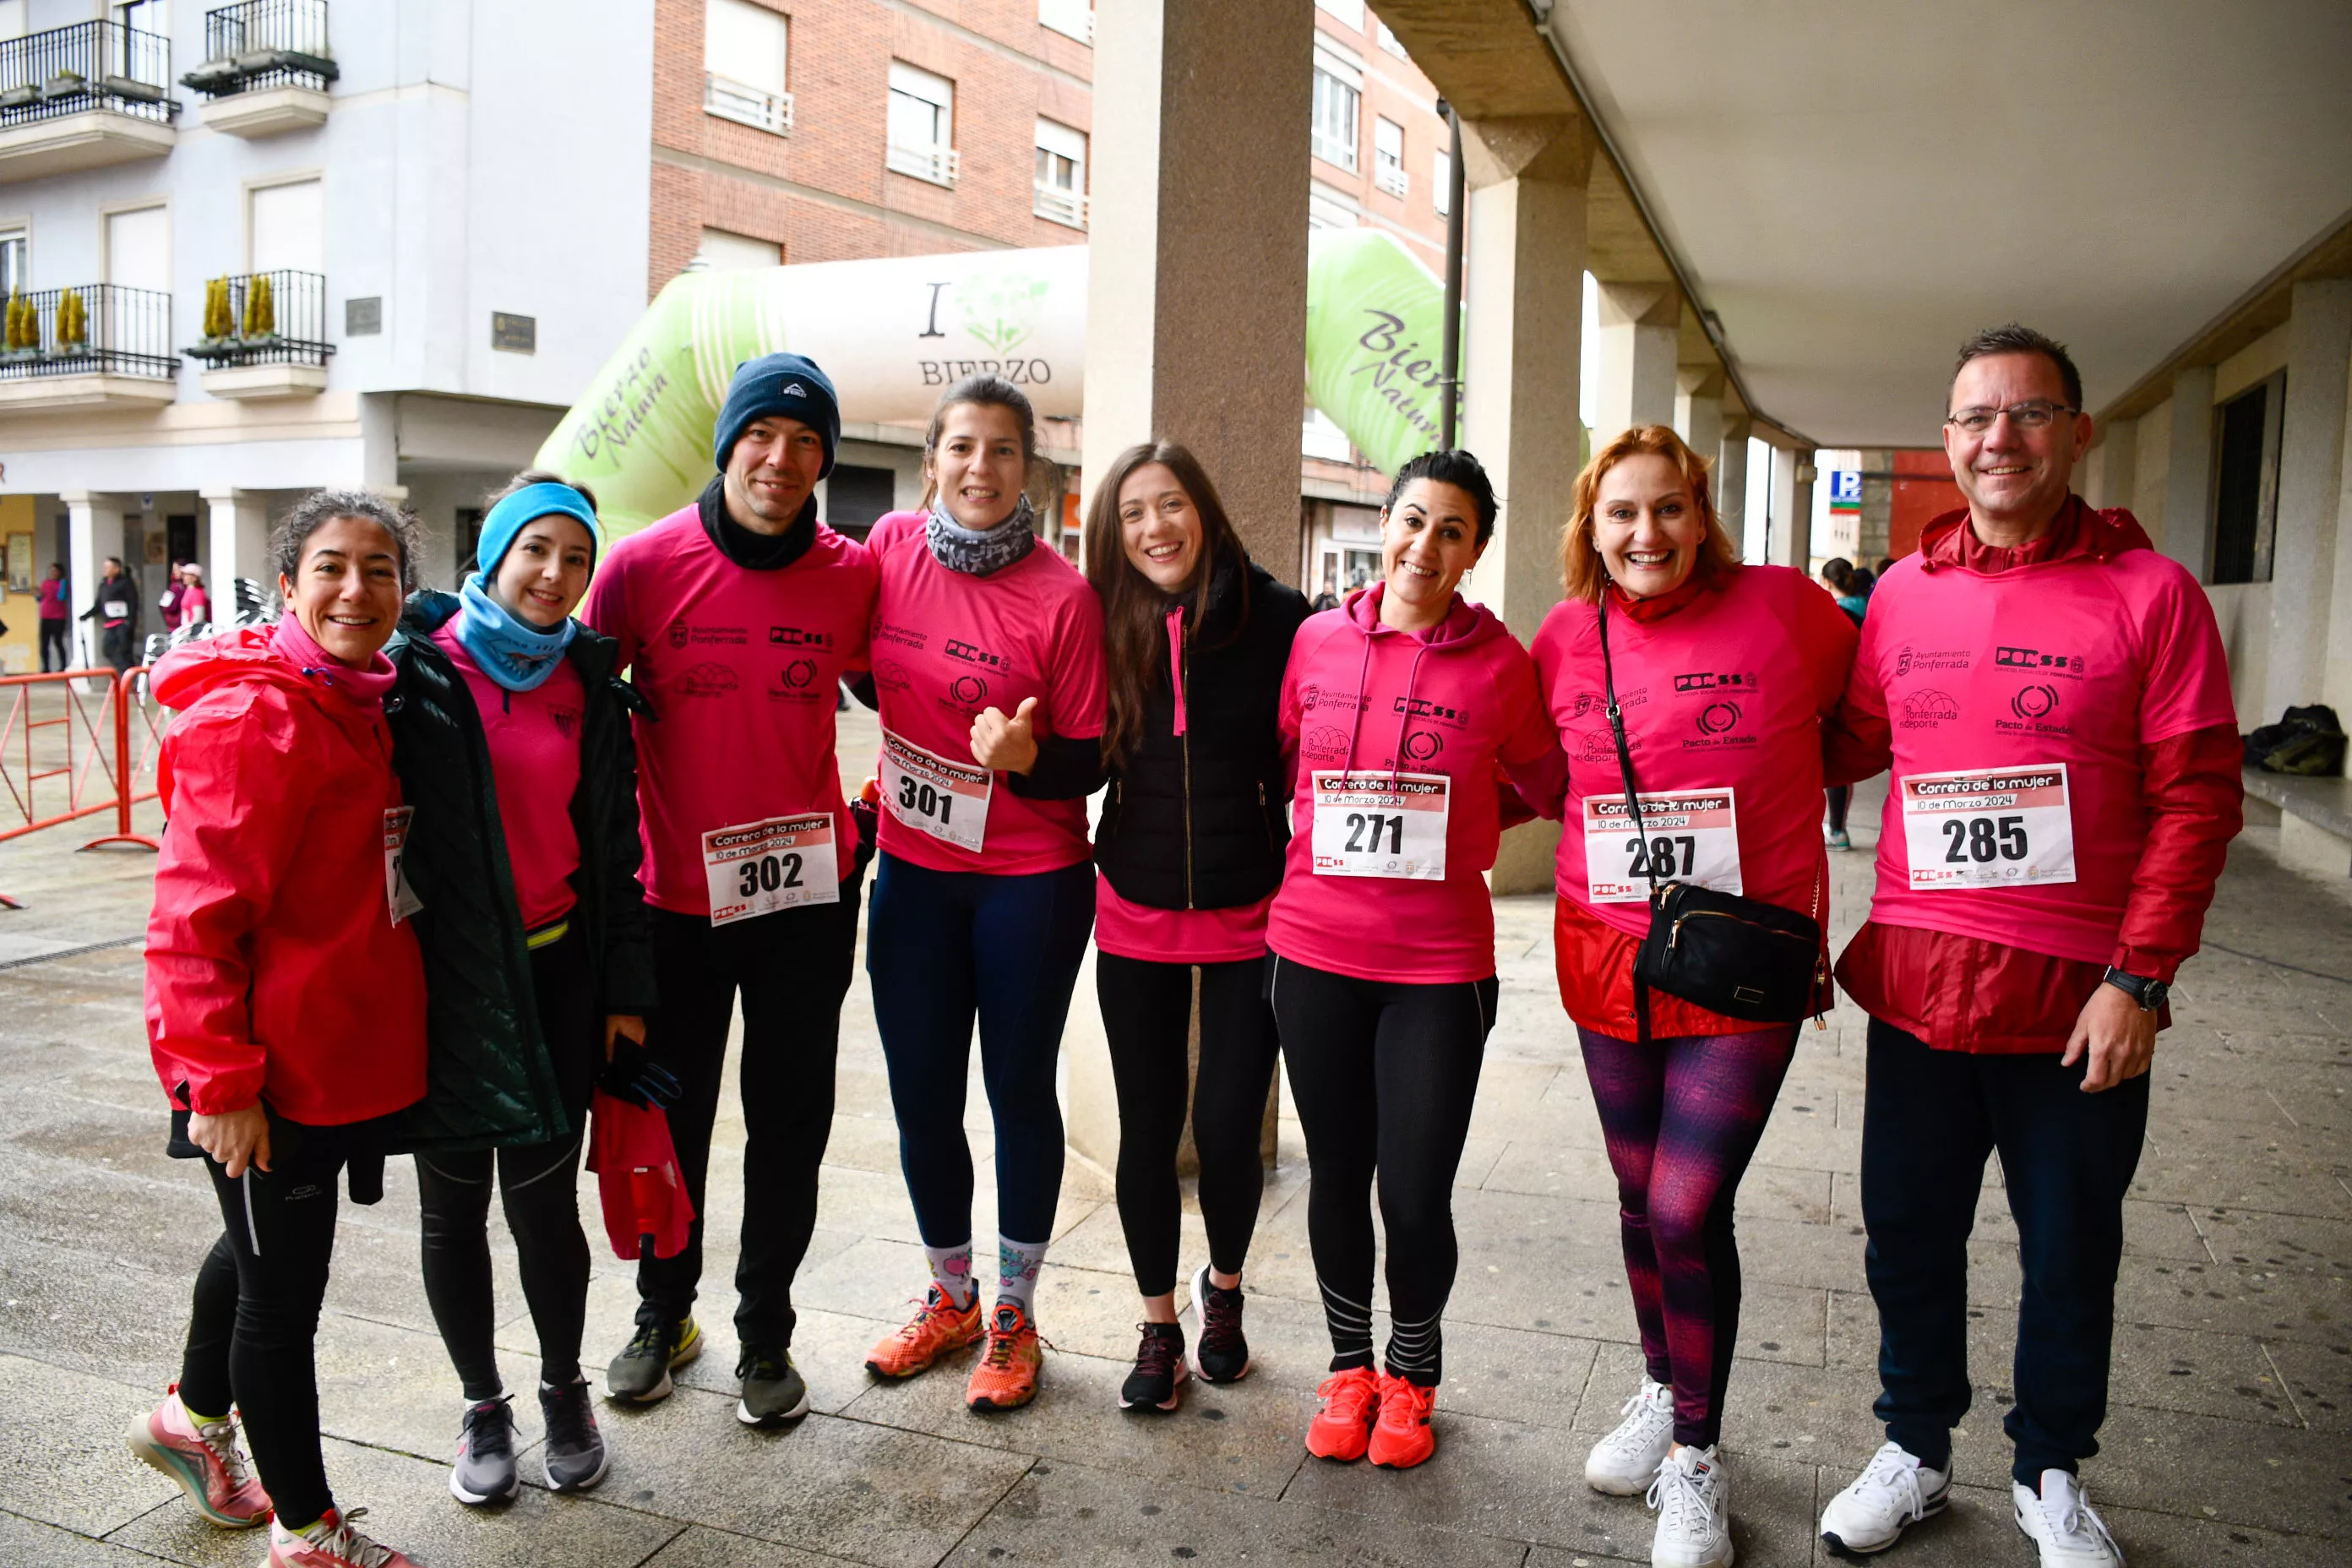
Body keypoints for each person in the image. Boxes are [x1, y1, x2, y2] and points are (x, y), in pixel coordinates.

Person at [1814, 325, 2242, 1567]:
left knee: (2068, 1244)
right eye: (1975, 419)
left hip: (2080, 1001)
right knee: (1905, 1226)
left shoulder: (2151, 595)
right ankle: (1914, 1446)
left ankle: (2050, 1465)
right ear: (1947, 441)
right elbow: (1842, 741)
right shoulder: (1901, 592)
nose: (1999, 438)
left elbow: (2199, 795)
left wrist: (2140, 979)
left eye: (2029, 413)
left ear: (2078, 432)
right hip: (1922, 982)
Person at [1532, 426, 1858, 1568]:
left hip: (1742, 962)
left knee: (1683, 1206)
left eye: (1668, 509)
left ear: (1702, 513)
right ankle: (1664, 1388)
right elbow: (1534, 768)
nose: (1647, 533)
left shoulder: (1785, 611)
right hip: (1606, 951)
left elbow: (1861, 728)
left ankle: (1697, 1465)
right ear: (1592, 523)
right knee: (1636, 1200)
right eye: (1622, 512)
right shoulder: (1566, 636)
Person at [131, 490, 431, 1568]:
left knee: (262, 1253)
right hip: (264, 1073)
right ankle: (307, 1533)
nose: (358, 588)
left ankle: (188, 1418)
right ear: (291, 584)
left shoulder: (357, 695)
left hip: (327, 1058)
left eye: (382, 568)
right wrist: (220, 1083)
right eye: (333, 567)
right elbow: (190, 920)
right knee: (281, 1299)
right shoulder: (258, 716)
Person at [580, 352, 879, 1427]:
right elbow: (567, 709)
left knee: (789, 1119)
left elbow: (912, 687)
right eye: (764, 435)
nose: (782, 459)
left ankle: (767, 1330)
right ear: (728, 443)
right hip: (672, 907)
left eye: (807, 444)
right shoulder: (642, 566)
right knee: (673, 1121)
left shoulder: (851, 575)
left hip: (801, 896)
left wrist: (884, 812)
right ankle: (665, 1311)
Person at [1271, 449, 1562, 1471]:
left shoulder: (1503, 663)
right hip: (1311, 952)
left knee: (1415, 1188)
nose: (1424, 545)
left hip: (1439, 967)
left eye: (1451, 530)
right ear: (1383, 523)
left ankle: (1413, 1367)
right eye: (1411, 519)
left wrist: (1469, 818)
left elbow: (1543, 781)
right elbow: (1281, 758)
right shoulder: (1312, 642)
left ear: (1476, 548)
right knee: (1338, 1171)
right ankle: (1349, 1365)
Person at [385, 472, 662, 1502]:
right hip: (447, 981)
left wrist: (627, 991)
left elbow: (618, 852)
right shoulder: (418, 668)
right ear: (495, 552)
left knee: (546, 1211)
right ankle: (481, 1403)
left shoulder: (588, 679)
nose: (554, 575)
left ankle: (561, 1388)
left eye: (576, 558)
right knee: (453, 1214)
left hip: (557, 975)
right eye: (536, 550)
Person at [858, 374, 1106, 1413]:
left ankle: (1014, 1309)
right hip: (913, 872)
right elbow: (868, 679)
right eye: (962, 447)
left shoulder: (1065, 596)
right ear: (932, 460)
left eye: (1003, 450)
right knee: (920, 1094)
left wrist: (1021, 756)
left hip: (1028, 883)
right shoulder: (884, 551)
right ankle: (950, 1291)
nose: (980, 467)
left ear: (1030, 471)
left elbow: (1089, 763)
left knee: (1015, 1091)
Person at [1082, 441, 1309, 1413]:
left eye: (1170, 505)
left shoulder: (1280, 619)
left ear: (1205, 512)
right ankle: (1157, 1324)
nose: (1154, 528)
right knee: (1146, 1130)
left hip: (1249, 911)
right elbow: (1078, 760)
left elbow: (1311, 755)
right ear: (1115, 532)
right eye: (1133, 513)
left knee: (1225, 1129)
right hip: (1132, 910)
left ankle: (1223, 1292)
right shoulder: (1102, 622)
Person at [1819, 560, 1869, 850]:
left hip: (1841, 692)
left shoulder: (1833, 614)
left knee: (1833, 762)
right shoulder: (1872, 606)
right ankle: (1838, 829)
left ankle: (1836, 832)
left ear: (1827, 581)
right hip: (1868, 692)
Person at [82, 555, 140, 672]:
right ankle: (126, 671)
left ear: (117, 569)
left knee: (124, 651)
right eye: (105, 567)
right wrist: (86, 615)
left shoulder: (125, 582)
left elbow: (133, 603)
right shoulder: (104, 585)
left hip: (123, 624)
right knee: (108, 650)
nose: (105, 570)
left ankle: (130, 676)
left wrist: (130, 622)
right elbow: (99, 604)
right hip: (110, 625)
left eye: (108, 567)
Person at [36, 562, 69, 671]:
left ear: (60, 572)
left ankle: (63, 666)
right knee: (44, 643)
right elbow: (39, 599)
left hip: (58, 618)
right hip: (45, 616)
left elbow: (61, 597)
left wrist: (63, 584)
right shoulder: (45, 583)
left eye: (55, 571)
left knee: (58, 642)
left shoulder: (62, 583)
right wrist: (38, 594)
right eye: (51, 571)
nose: (52, 573)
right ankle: (46, 667)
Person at [178, 564, 213, 630]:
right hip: (186, 629)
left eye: (187, 574)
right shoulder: (188, 590)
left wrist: (190, 632)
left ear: (195, 578)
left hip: (193, 633)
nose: (184, 577)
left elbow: (198, 618)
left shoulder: (197, 593)